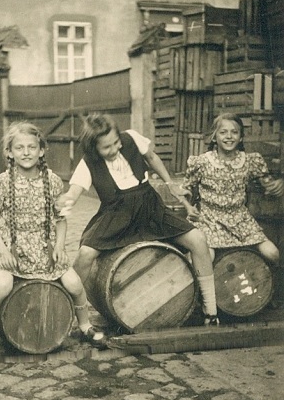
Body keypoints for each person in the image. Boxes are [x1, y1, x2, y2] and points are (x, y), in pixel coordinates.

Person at [56, 113, 219, 326]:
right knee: (85, 255)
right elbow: (75, 191)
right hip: (116, 216)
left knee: (198, 239)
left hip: (150, 208)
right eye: (106, 147)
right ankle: (66, 309)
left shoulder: (131, 138)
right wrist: (66, 200)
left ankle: (210, 310)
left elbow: (151, 158)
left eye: (116, 143)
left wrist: (170, 184)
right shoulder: (88, 163)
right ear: (94, 147)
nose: (114, 149)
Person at [0, 121, 106, 355]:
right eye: (19, 148)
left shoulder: (51, 181)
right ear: (9, 152)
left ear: (41, 150)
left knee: (73, 282)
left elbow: (60, 219)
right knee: (2, 285)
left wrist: (60, 246)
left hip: (43, 249)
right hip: (12, 249)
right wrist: (3, 252)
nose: (26, 153)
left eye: (31, 147)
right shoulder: (0, 183)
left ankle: (84, 325)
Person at [181, 112, 283, 266]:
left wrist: (279, 183)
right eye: (223, 132)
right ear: (215, 137)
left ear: (241, 137)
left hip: (240, 221)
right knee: (206, 257)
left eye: (234, 132)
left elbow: (268, 185)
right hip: (209, 220)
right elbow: (184, 191)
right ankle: (199, 287)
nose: (229, 136)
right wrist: (189, 207)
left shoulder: (250, 161)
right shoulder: (202, 162)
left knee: (273, 253)